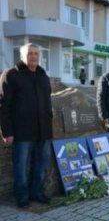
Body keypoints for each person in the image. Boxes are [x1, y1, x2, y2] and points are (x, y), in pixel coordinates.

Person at [0, 43, 53, 208]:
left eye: (36, 53)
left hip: (43, 131)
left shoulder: (43, 75)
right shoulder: (11, 75)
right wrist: (6, 132)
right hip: (21, 131)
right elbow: (3, 106)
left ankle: (37, 192)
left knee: (41, 163)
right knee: (21, 166)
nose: (34, 56)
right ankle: (22, 196)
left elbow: (48, 100)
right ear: (22, 56)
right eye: (30, 53)